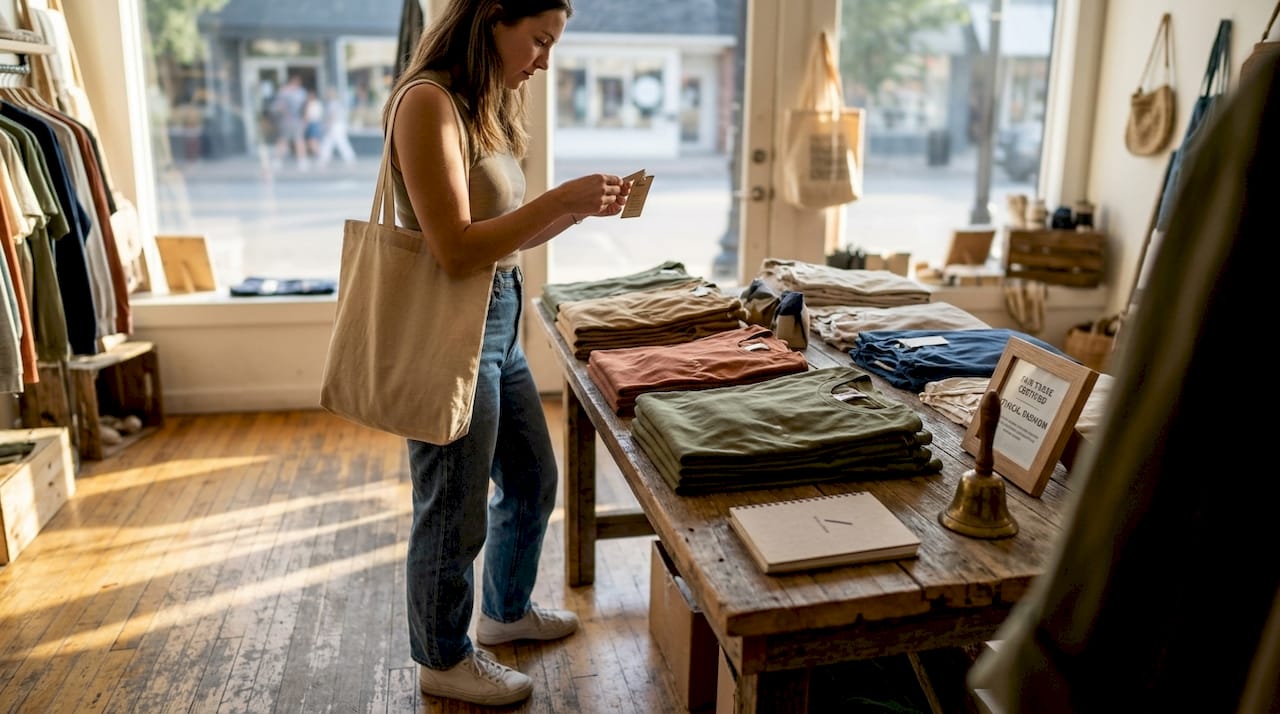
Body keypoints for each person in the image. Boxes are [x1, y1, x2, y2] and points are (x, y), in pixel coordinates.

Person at [384, 0, 630, 706]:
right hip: (449, 329)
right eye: (539, 41)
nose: (544, 60)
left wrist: (573, 209)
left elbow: (501, 239)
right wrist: (556, 200)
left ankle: (505, 613)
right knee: (452, 505)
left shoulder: (485, 102)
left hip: (501, 317)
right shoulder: (426, 101)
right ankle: (441, 657)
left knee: (530, 477)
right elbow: (455, 249)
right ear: (493, 15)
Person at [316, 87, 356, 167]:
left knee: (334, 142)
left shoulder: (332, 104)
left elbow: (333, 115)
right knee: (332, 142)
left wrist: (328, 124)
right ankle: (324, 159)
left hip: (335, 126)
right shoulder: (337, 103)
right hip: (339, 125)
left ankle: (324, 160)